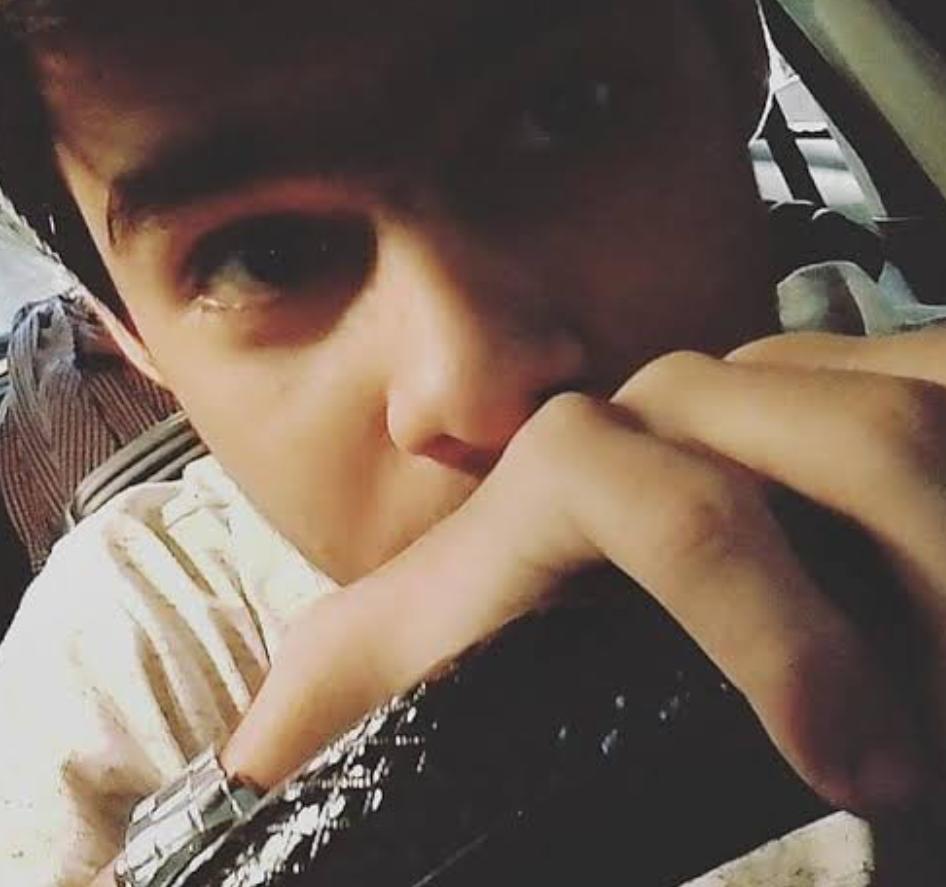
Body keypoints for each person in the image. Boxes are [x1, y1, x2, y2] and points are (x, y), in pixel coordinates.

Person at [0, 1, 944, 885]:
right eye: (265, 257)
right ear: (132, 336)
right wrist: (280, 795)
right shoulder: (132, 662)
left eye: (565, 112)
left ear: (738, 53)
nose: (475, 381)